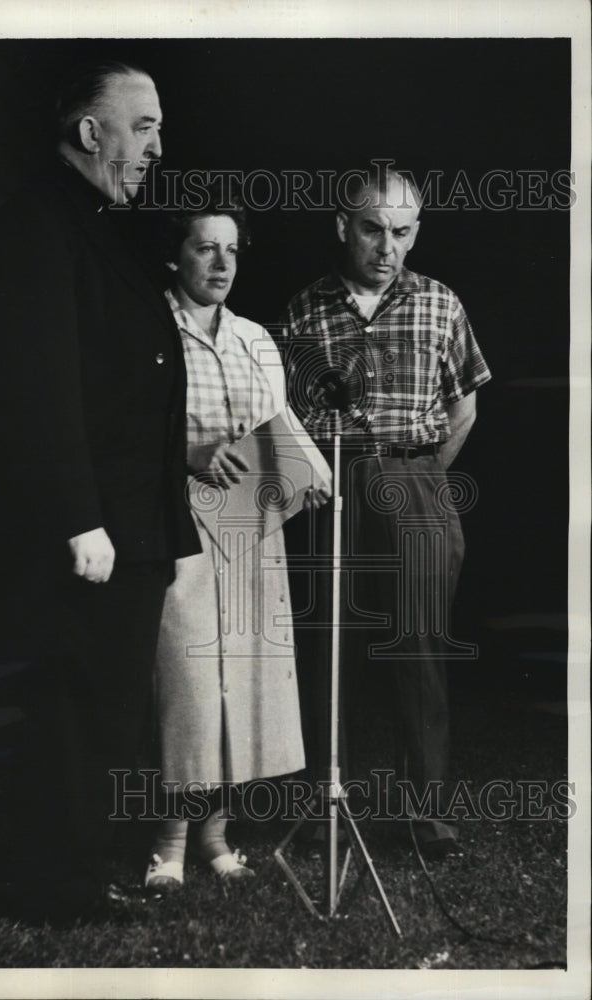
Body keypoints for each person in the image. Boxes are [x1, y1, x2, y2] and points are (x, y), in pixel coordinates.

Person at [0, 61, 199, 917]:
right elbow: (39, 387)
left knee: (103, 706)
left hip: (129, 523)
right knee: (74, 705)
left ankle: (72, 868)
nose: (156, 147)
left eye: (158, 128)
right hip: (93, 527)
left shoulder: (96, 225)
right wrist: (79, 518)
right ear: (87, 131)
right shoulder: (38, 223)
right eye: (141, 126)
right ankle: (51, 883)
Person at [282, 163, 491, 861]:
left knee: (419, 652)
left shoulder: (440, 303)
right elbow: (283, 417)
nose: (387, 246)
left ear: (416, 232)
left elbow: (463, 407)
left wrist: (418, 476)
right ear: (343, 226)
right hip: (330, 488)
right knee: (327, 650)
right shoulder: (304, 310)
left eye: (402, 232)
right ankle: (324, 812)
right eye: (373, 229)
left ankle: (425, 820)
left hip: (415, 481)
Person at [144, 189, 327, 890]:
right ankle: (168, 843)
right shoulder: (148, 328)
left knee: (241, 683)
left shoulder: (254, 339)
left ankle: (217, 837)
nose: (221, 264)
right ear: (175, 256)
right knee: (187, 683)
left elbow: (277, 428)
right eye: (204, 248)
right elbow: (126, 430)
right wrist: (188, 455)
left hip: (250, 525)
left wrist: (306, 473)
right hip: (178, 521)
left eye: (231, 250)